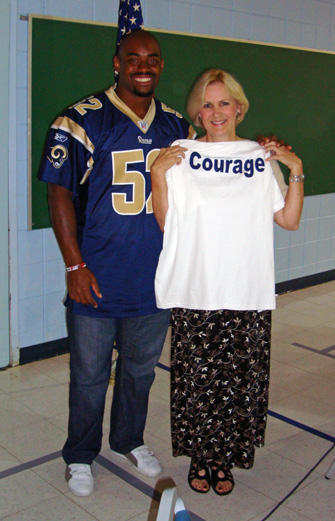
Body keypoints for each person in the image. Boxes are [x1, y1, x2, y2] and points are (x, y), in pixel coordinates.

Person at [38, 30, 195, 497]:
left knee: (140, 370)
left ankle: (129, 440)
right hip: (98, 276)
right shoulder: (81, 119)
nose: (142, 66)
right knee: (88, 375)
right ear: (117, 62)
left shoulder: (177, 126)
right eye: (133, 58)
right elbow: (59, 191)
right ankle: (81, 454)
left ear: (161, 65)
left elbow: (208, 181)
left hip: (156, 278)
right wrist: (74, 266)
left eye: (152, 59)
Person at [150, 69, 304, 496]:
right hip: (196, 286)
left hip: (244, 288)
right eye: (207, 103)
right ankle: (202, 456)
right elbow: (166, 222)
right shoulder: (180, 155)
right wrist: (158, 176)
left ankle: (226, 458)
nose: (216, 111)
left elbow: (288, 221)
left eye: (224, 102)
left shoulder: (261, 157)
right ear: (196, 112)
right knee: (197, 379)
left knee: (237, 380)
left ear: (239, 107)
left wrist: (296, 169)